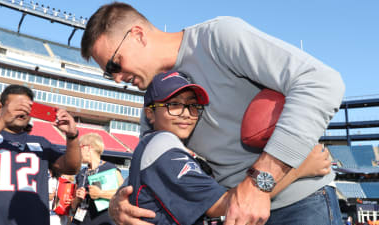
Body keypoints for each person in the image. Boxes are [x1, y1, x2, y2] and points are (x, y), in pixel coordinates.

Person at [81, 2, 345, 225]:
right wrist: (118, 201)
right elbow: (152, 168)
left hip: (301, 205)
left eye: (115, 64)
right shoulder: (154, 100)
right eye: (108, 72)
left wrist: (258, 184)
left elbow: (322, 82)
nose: (116, 79)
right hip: (236, 213)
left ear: (137, 35)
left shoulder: (218, 38)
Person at [126, 71, 332, 225]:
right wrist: (298, 170)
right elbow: (230, 206)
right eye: (174, 104)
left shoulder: (151, 148)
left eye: (192, 105)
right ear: (150, 114)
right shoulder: (164, 148)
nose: (186, 113)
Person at [0, 84, 81, 225]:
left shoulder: (41, 143)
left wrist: (72, 136)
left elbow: (71, 168)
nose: (21, 112)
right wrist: (2, 121)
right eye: (16, 107)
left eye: (27, 108)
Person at [71, 133, 124, 225]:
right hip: (79, 220)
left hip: (102, 221)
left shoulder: (110, 169)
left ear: (88, 148)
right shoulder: (81, 173)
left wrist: (100, 193)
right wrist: (77, 199)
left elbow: (123, 195)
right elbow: (73, 206)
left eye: (80, 147)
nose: (78, 151)